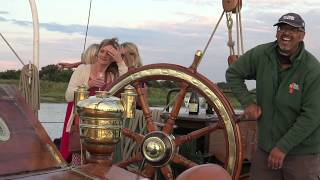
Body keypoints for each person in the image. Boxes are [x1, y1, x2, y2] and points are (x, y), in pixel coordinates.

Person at [226, 13, 320, 180]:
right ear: (277, 32)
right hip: (266, 150)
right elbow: (234, 73)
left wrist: (283, 147)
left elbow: (312, 116)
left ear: (302, 35)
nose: (286, 33)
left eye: (293, 30)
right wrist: (248, 103)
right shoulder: (261, 54)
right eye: (282, 28)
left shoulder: (312, 69)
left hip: (301, 154)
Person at [60, 38, 128, 164]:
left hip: (104, 130)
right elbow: (68, 96)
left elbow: (127, 82)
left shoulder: (113, 76)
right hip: (81, 125)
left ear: (114, 57)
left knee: (100, 165)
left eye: (110, 53)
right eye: (102, 51)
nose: (104, 55)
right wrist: (88, 84)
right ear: (97, 52)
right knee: (78, 164)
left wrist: (120, 61)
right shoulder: (82, 69)